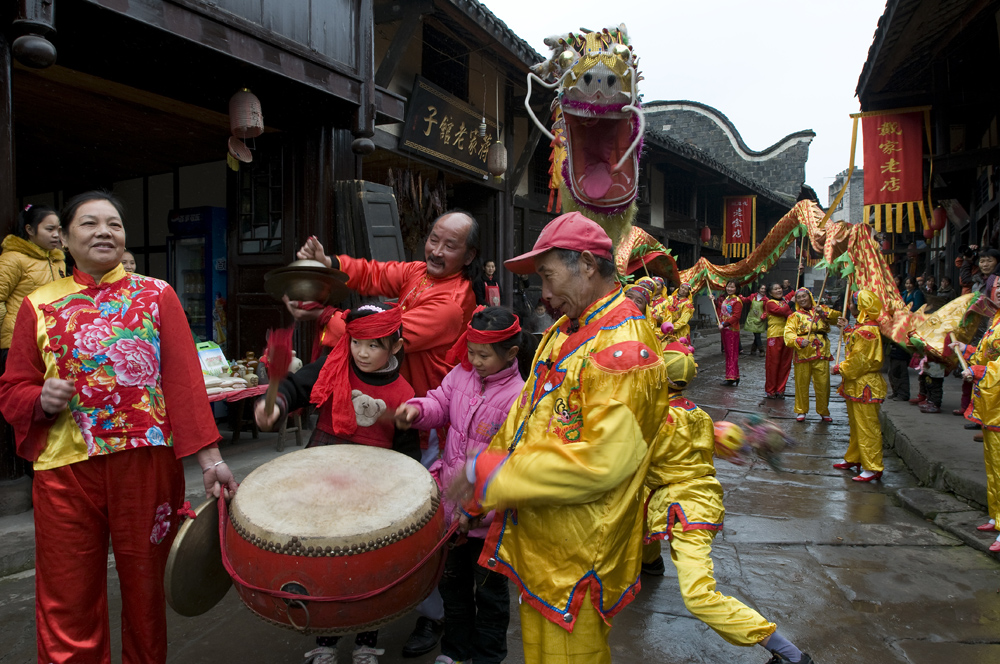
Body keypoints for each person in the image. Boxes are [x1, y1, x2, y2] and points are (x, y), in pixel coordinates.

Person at [0, 191, 237, 664]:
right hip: (65, 471)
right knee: (66, 598)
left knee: (147, 592)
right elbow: (13, 388)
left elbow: (184, 382)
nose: (103, 232)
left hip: (146, 465)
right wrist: (39, 400)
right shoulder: (37, 304)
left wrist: (210, 459)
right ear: (66, 239)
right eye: (88, 223)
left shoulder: (156, 294)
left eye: (114, 224)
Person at [463, 211, 673, 663]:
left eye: (548, 276)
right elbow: (523, 416)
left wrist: (494, 477)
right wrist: (481, 484)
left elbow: (602, 462)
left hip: (579, 550)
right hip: (543, 539)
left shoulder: (623, 349)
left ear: (588, 265)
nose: (544, 293)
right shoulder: (564, 330)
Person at [294, 211, 479, 656]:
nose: (436, 250)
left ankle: (432, 614)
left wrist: (321, 313)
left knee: (417, 524)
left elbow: (376, 334)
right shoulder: (418, 273)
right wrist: (329, 262)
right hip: (380, 417)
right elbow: (376, 272)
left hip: (422, 423)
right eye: (433, 239)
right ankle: (364, 602)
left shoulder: (452, 303)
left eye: (450, 245)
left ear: (470, 256)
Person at [256, 302, 416, 664]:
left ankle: (366, 641)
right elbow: (295, 386)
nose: (362, 352)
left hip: (374, 486)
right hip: (324, 475)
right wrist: (275, 405)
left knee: (366, 564)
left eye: (374, 345)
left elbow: (408, 453)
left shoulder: (404, 392)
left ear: (395, 346)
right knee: (325, 560)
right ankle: (326, 641)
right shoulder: (333, 365)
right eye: (357, 342)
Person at [644, 342, 814, 663]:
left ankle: (790, 655)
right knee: (638, 503)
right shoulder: (698, 414)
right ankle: (649, 561)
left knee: (698, 595)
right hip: (699, 497)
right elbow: (716, 444)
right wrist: (746, 439)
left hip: (686, 508)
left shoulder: (653, 419)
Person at [395, 306, 534, 664]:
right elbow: (440, 402)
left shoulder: (519, 397)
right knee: (452, 588)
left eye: (483, 355)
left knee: (490, 597)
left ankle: (487, 657)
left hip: (489, 522)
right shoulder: (461, 375)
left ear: (511, 353)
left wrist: (478, 509)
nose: (474, 361)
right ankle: (455, 652)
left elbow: (512, 465)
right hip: (451, 510)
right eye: (471, 352)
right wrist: (417, 410)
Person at [832, 290, 887, 482]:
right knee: (856, 425)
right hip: (857, 384)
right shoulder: (864, 328)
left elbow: (860, 360)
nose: (849, 306)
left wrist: (840, 368)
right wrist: (847, 329)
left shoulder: (866, 332)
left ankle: (873, 466)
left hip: (865, 384)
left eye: (852, 303)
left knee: (867, 427)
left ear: (860, 307)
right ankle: (854, 457)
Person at [956, 354, 1000, 551]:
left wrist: (978, 371)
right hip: (993, 413)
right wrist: (966, 351)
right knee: (993, 469)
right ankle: (996, 516)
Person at [783, 288, 839, 422]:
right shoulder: (794, 316)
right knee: (801, 383)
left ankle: (824, 410)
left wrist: (822, 313)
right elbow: (788, 334)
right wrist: (798, 340)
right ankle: (801, 410)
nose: (802, 299)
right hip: (803, 353)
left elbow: (837, 317)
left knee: (823, 384)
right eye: (799, 297)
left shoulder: (821, 309)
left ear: (810, 297)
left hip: (822, 351)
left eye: (804, 296)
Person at [764, 283, 794, 399]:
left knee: (785, 364)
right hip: (775, 335)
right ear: (770, 293)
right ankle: (770, 390)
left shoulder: (785, 301)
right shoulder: (770, 303)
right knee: (773, 364)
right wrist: (791, 303)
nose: (778, 290)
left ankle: (780, 389)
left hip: (787, 335)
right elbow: (781, 311)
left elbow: (789, 313)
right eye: (775, 289)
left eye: (779, 288)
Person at [710, 280, 742, 386]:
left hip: (732, 330)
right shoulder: (727, 299)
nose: (730, 288)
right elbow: (722, 308)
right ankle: (734, 375)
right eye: (728, 286)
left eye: (732, 287)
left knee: (732, 354)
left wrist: (724, 324)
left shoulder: (737, 301)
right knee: (728, 353)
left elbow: (736, 317)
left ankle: (731, 377)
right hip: (725, 329)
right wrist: (714, 301)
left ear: (737, 288)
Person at [745, 284, 768, 356]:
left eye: (764, 289)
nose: (763, 290)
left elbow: (767, 310)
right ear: (758, 289)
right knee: (756, 334)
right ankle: (757, 350)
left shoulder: (766, 300)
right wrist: (740, 297)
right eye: (762, 288)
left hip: (760, 320)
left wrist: (763, 316)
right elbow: (745, 300)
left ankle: (759, 350)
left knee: (757, 335)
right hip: (752, 318)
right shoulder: (753, 296)